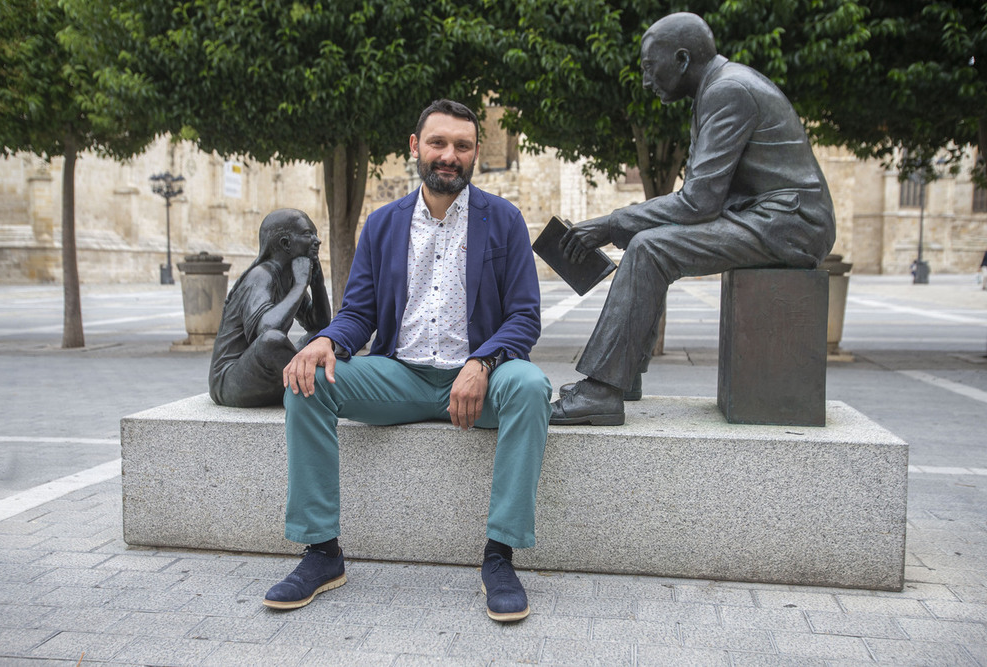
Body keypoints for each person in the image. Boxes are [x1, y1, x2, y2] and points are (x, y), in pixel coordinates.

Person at [265, 100, 551, 622]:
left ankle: (500, 557)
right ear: (416, 147)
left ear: (474, 154)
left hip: (480, 382)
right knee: (306, 381)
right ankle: (321, 552)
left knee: (531, 386)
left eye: (462, 146)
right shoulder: (382, 224)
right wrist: (327, 341)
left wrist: (482, 362)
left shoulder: (504, 220)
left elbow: (525, 319)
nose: (450, 155)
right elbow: (359, 313)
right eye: (438, 143)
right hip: (400, 374)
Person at [551, 12, 836, 425]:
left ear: (682, 60)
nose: (646, 81)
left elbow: (698, 202)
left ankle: (601, 390)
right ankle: (621, 375)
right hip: (771, 218)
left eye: (651, 68)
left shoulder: (729, 91)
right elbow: (700, 197)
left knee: (651, 247)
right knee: (650, 240)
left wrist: (613, 224)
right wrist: (625, 224)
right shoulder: (713, 92)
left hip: (792, 225)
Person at [209, 209, 332, 407]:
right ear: (285, 243)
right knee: (272, 340)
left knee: (322, 338)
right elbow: (266, 331)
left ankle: (313, 387)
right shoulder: (261, 275)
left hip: (259, 376)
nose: (317, 241)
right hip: (228, 382)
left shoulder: (289, 276)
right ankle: (318, 391)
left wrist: (317, 284)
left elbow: (321, 324)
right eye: (308, 234)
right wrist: (300, 286)